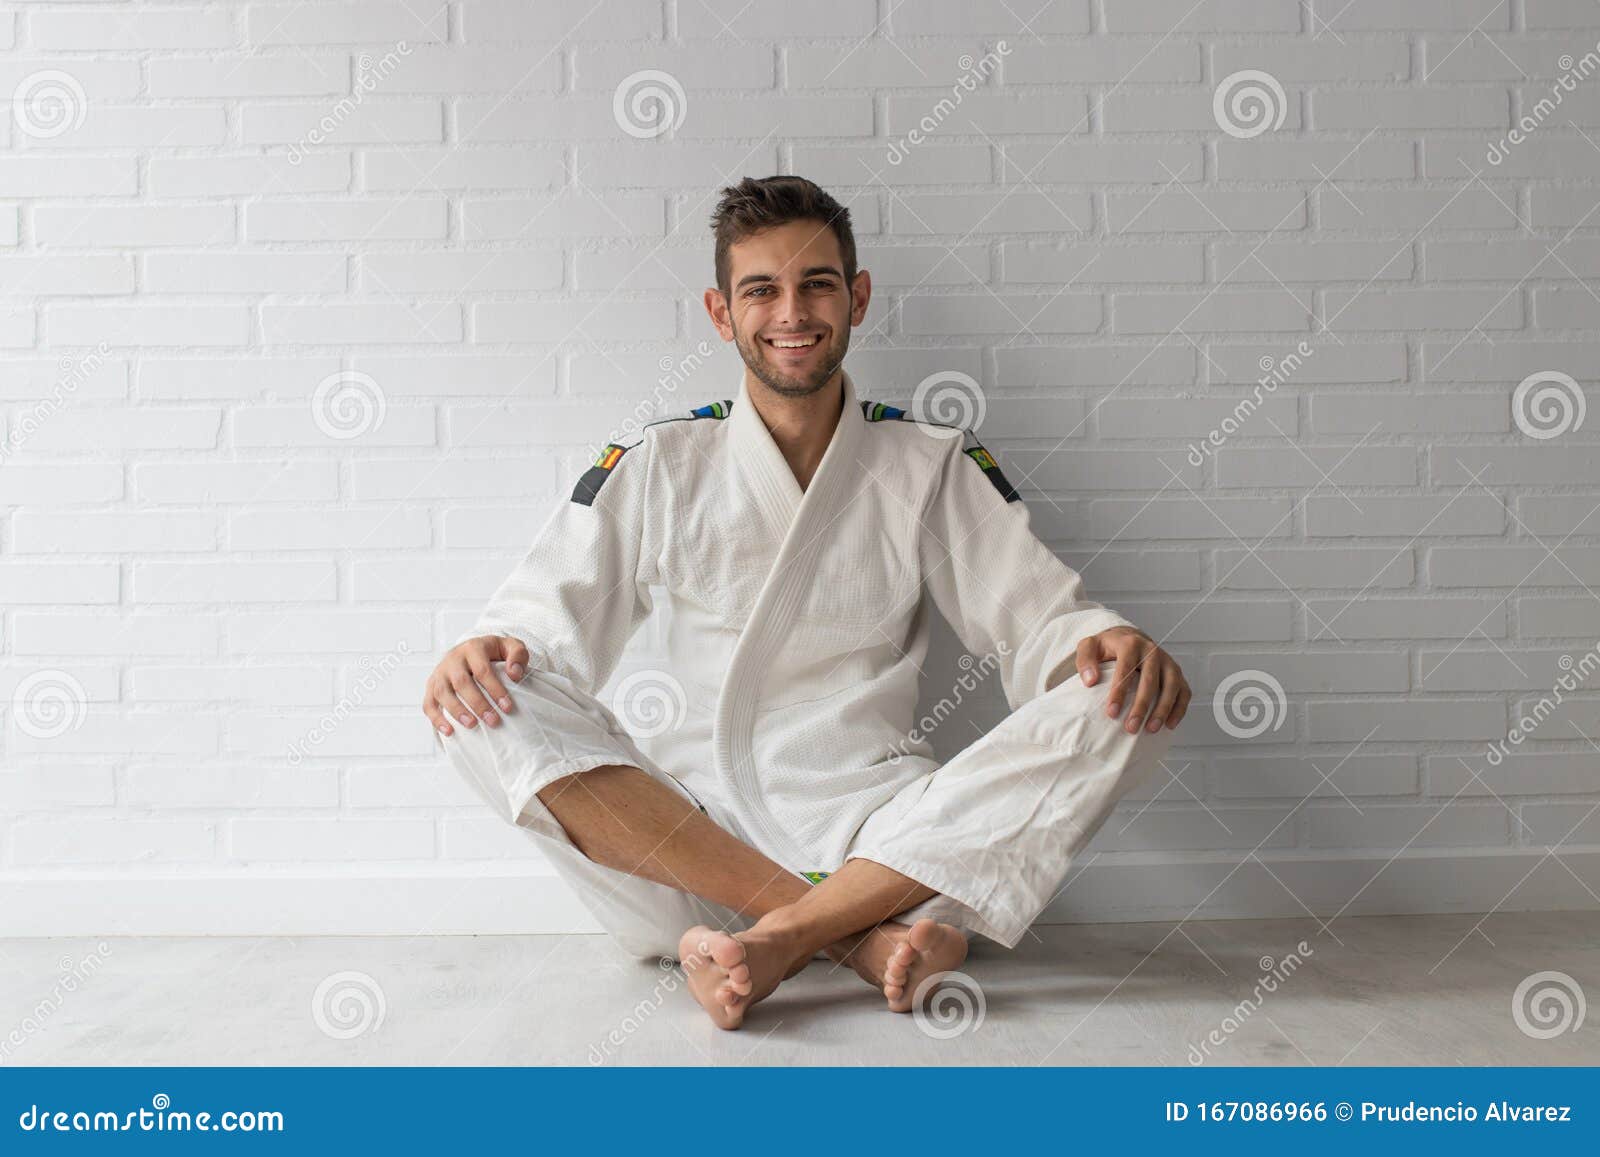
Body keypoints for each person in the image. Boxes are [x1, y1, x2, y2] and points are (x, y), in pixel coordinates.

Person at [424, 175, 1189, 1031]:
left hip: (879, 829)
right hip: (683, 842)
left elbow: (1042, 620)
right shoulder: (661, 463)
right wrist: (496, 644)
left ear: (856, 297)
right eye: (762, 290)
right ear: (721, 313)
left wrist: (1100, 638)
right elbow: (540, 628)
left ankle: (780, 935)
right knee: (480, 701)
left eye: (817, 284)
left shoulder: (927, 460)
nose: (792, 312)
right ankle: (854, 934)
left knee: (1126, 696)